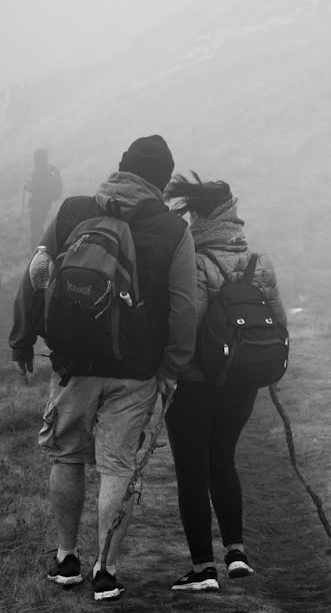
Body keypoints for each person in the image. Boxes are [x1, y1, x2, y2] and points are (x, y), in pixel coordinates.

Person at [9, 135, 197, 602]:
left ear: (121, 167)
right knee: (117, 467)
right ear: (160, 181)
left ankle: (66, 557)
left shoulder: (73, 210)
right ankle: (106, 570)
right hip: (136, 372)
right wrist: (171, 369)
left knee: (67, 456)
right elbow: (183, 309)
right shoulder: (174, 231)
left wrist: (23, 340)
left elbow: (36, 276)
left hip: (74, 362)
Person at [162, 172, 286, 592]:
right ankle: (236, 553)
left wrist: (169, 375)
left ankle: (202, 570)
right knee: (224, 462)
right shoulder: (258, 262)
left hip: (196, 386)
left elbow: (188, 329)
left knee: (192, 472)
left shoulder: (194, 261)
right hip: (242, 385)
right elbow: (280, 324)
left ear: (198, 215)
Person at [24, 148, 63, 250]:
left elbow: (35, 189)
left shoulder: (38, 171)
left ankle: (35, 251)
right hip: (46, 203)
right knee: (39, 226)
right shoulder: (50, 169)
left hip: (37, 204)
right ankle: (46, 247)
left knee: (35, 230)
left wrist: (27, 187)